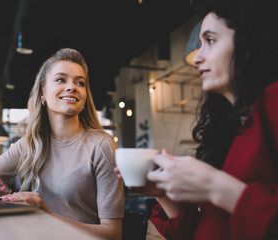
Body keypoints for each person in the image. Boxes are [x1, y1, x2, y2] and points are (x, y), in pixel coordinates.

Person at [116, 0, 278, 239]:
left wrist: (214, 186)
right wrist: (162, 192)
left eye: (210, 41)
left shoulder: (273, 102)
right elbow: (207, 230)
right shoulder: (231, 128)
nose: (197, 58)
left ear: (249, 44)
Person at [0, 48, 124, 239]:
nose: (72, 87)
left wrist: (47, 216)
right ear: (43, 93)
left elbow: (113, 234)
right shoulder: (29, 144)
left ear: (84, 97)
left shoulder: (102, 146)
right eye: (61, 79)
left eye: (79, 83)